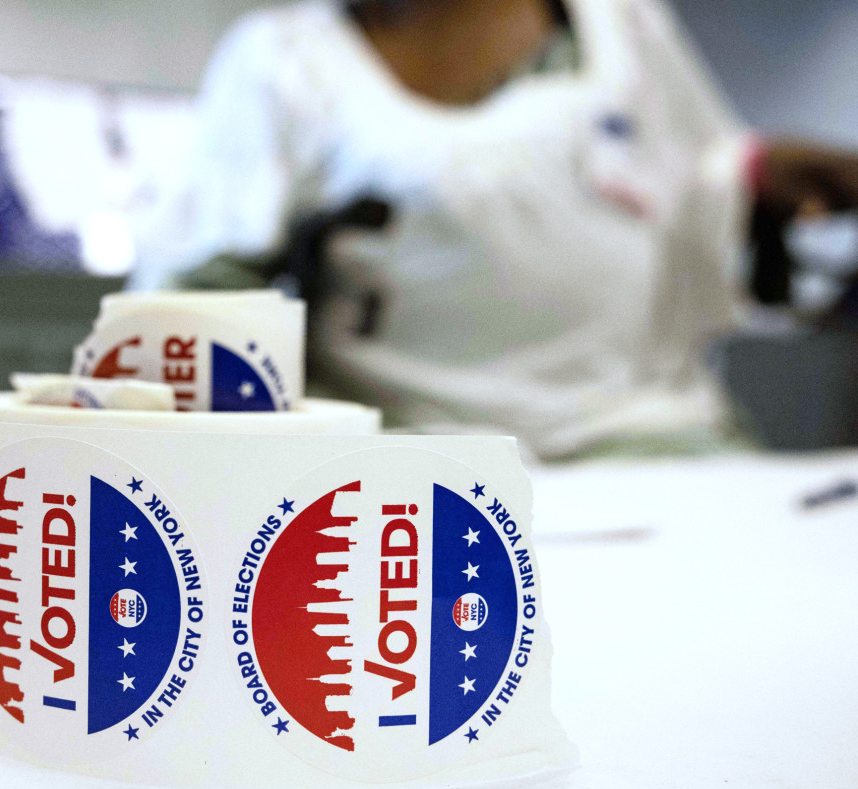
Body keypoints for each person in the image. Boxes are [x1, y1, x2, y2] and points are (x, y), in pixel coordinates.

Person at [135, 0, 858, 458]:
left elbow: (692, 166)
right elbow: (199, 285)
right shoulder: (286, 63)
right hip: (408, 457)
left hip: (646, 429)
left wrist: (759, 173)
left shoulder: (621, 23)